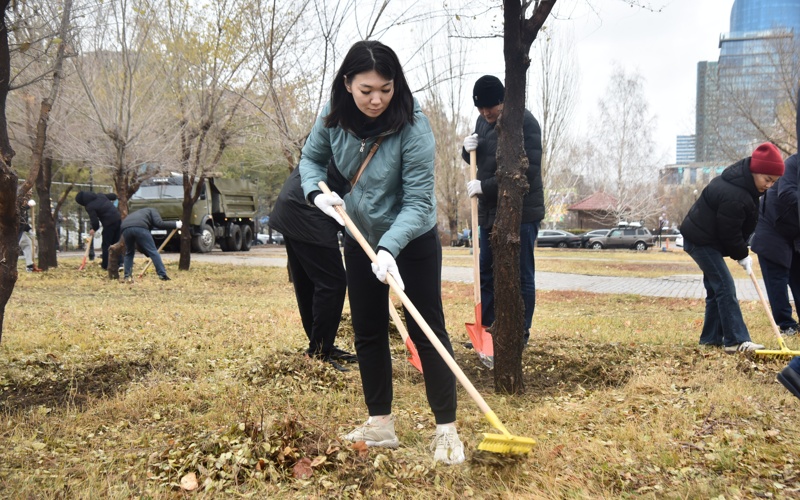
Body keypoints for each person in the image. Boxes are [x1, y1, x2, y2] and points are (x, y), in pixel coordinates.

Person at [298, 40, 463, 464]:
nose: (376, 99)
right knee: (368, 329)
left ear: (396, 85)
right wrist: (317, 194)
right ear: (347, 83)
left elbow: (419, 201)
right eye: (366, 90)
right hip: (360, 236)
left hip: (412, 239)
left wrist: (390, 248)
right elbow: (310, 160)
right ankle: (380, 424)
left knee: (427, 329)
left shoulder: (414, 125)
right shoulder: (333, 117)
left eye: (385, 89)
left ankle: (446, 430)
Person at [461, 75, 544, 346]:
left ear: (503, 100)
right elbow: (480, 158)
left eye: (491, 107)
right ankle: (487, 331)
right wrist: (466, 151)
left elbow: (525, 173)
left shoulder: (525, 124)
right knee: (486, 271)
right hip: (489, 213)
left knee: (521, 274)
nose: (486, 113)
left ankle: (520, 333)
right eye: (480, 108)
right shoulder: (481, 122)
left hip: (522, 213)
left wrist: (484, 187)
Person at [680, 142, 785, 353]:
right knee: (725, 286)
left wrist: (741, 251)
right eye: (767, 179)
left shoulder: (746, 187)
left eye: (774, 182)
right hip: (700, 241)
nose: (769, 185)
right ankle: (736, 340)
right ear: (755, 170)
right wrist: (742, 254)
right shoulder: (735, 194)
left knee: (715, 289)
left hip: (707, 240)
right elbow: (729, 232)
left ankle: (710, 339)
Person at [269, 160, 357, 372]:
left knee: (309, 283)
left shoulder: (342, 143)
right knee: (332, 283)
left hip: (291, 205)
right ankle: (319, 351)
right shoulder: (351, 145)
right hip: (307, 209)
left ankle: (319, 346)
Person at [750, 153, 799, 336]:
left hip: (794, 232)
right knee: (777, 278)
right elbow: (786, 193)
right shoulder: (794, 163)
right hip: (771, 227)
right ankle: (786, 324)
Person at [120, 207, 181, 282]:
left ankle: (127, 276)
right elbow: (159, 223)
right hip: (140, 227)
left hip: (125, 228)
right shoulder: (153, 210)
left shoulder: (139, 214)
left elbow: (140, 245)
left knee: (129, 253)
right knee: (153, 251)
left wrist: (147, 253)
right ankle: (162, 275)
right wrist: (175, 224)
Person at [75, 191, 122, 271]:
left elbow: (95, 221)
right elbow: (113, 196)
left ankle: (106, 265)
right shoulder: (100, 195)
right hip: (118, 218)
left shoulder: (89, 206)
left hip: (109, 223)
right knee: (116, 243)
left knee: (106, 245)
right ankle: (120, 263)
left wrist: (94, 229)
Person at [18, 204, 34, 272]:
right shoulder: (18, 209)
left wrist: (29, 230)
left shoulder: (24, 211)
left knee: (27, 243)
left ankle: (29, 265)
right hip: (12, 233)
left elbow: (23, 222)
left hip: (20, 232)